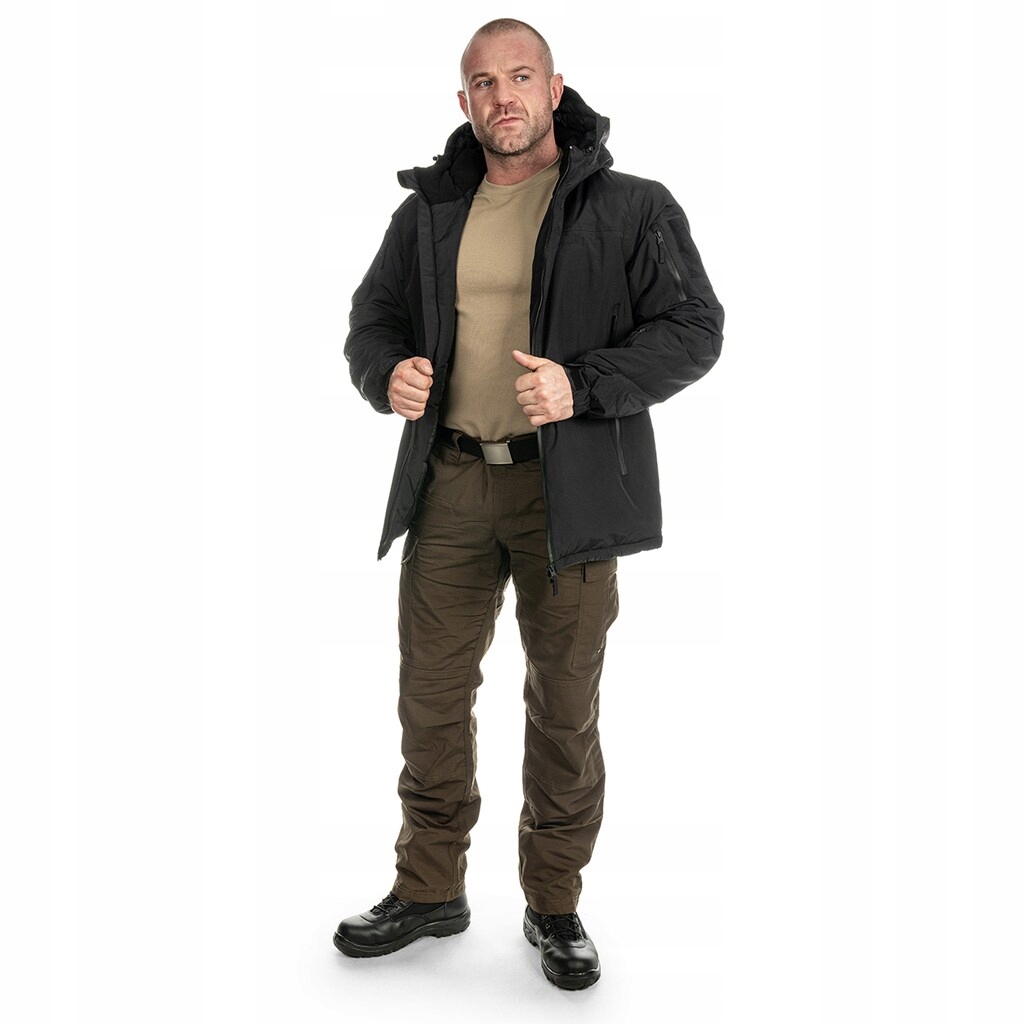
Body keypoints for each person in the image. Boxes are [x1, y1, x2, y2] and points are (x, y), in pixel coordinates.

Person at [333, 18, 724, 990]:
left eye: (519, 76)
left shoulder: (630, 208)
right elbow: (371, 319)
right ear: (463, 101)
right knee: (430, 697)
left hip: (570, 491)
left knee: (563, 705)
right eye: (482, 82)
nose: (501, 96)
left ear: (554, 89)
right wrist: (388, 373)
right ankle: (429, 887)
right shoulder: (429, 211)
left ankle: (553, 903)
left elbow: (694, 327)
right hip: (451, 482)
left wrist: (582, 384)